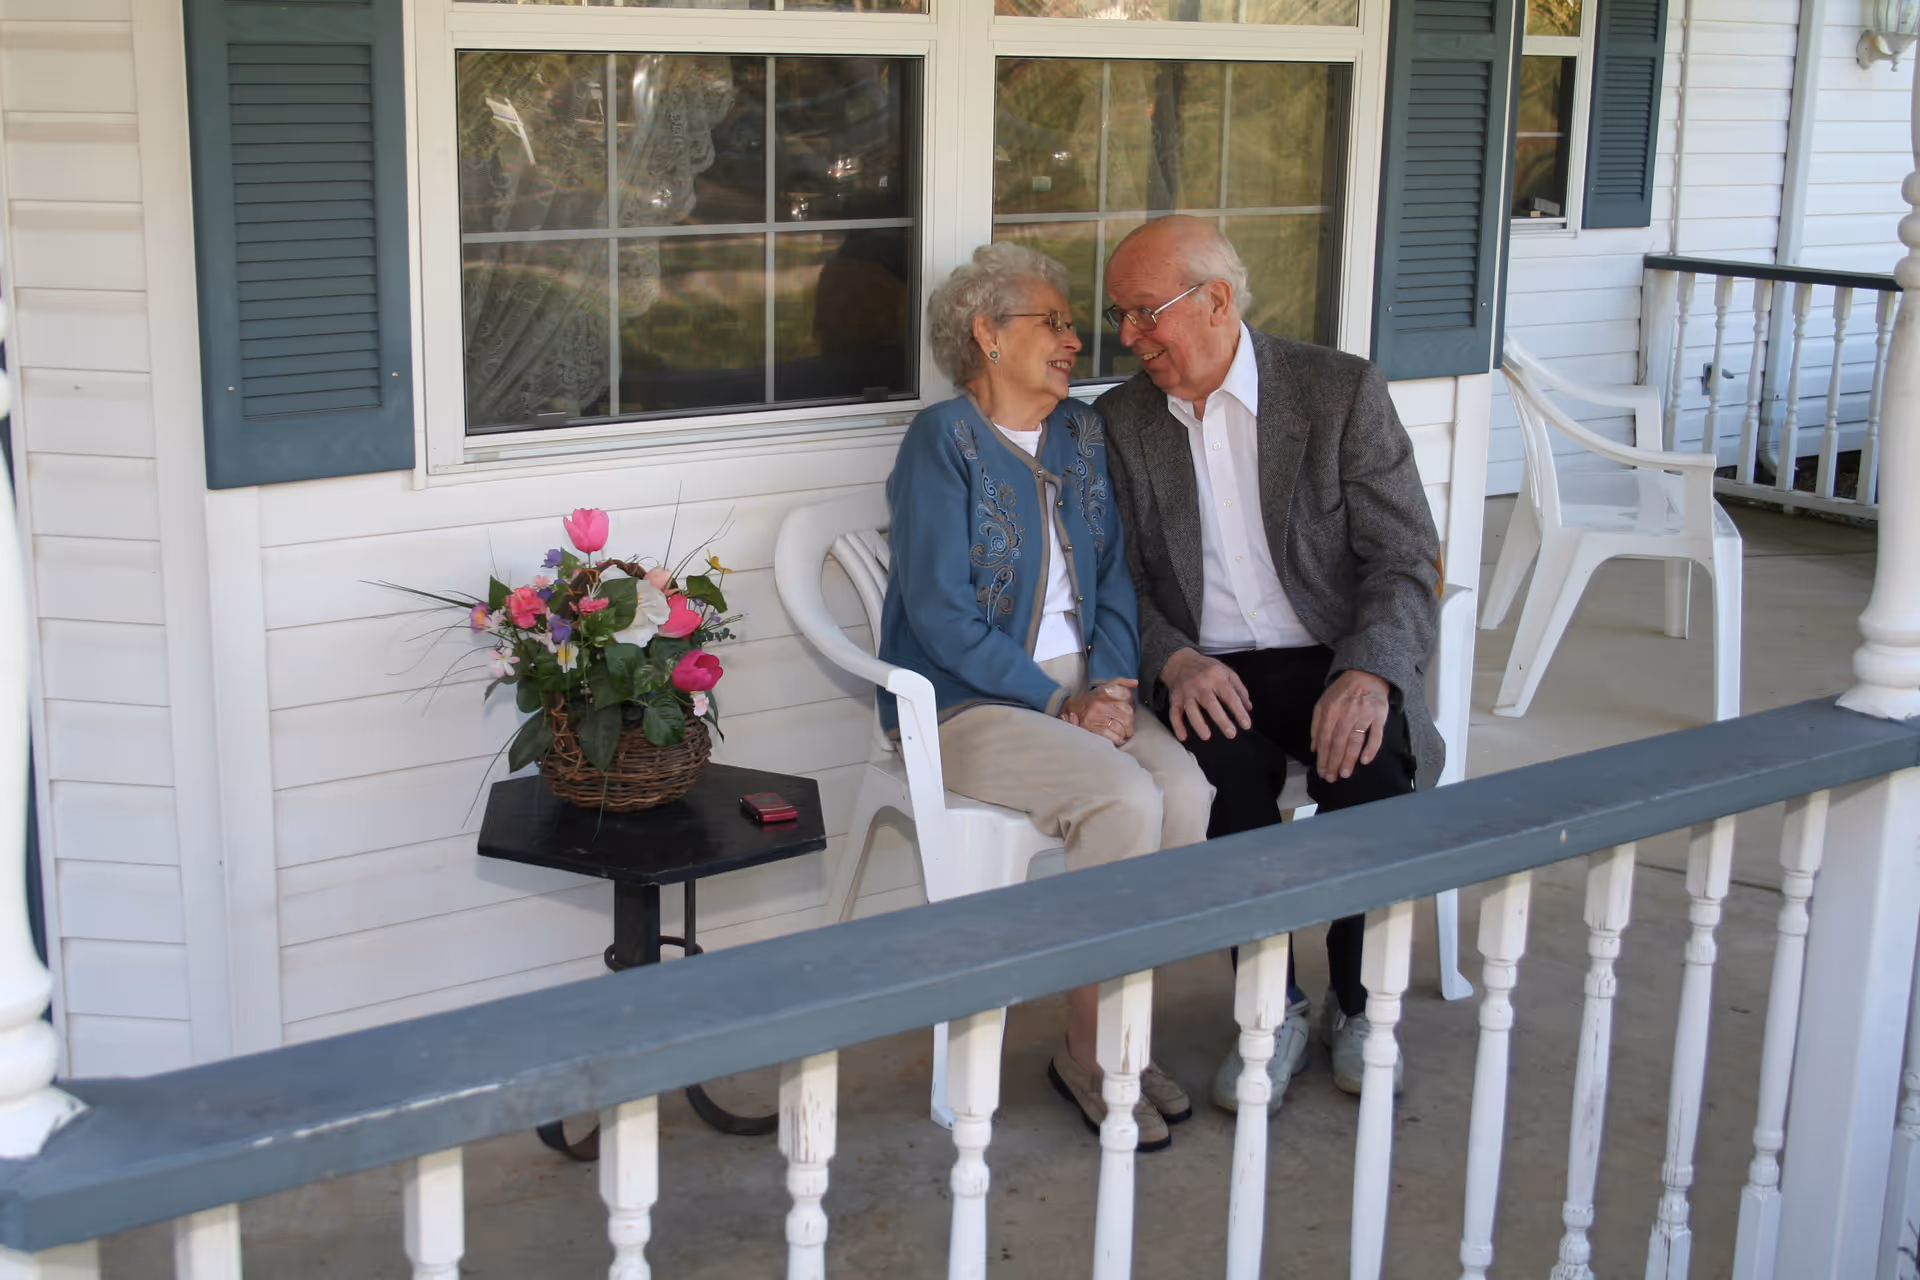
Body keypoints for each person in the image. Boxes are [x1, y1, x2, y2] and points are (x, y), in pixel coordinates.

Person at [1095, 216, 1442, 1114]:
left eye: (1143, 314)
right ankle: (1271, 1009)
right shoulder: (1120, 422)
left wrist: (1369, 672)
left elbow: (1404, 557)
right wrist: (1172, 660)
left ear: (1215, 301)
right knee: (1225, 781)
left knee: (1372, 771)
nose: (1128, 339)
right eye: (1118, 318)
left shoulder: (1336, 391)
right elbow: (1115, 579)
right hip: (1209, 667)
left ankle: (1361, 1006)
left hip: (1330, 653)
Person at [879, 241, 1215, 1151]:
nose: (1076, 340)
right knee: (1120, 796)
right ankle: (1091, 1051)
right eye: (1054, 322)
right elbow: (940, 613)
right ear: (987, 335)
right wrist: (1054, 699)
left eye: (1073, 324)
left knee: (1186, 793)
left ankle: (1120, 1035)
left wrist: (1109, 682)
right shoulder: (940, 444)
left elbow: (1111, 573)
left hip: (1085, 687)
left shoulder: (1080, 433)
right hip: (971, 703)